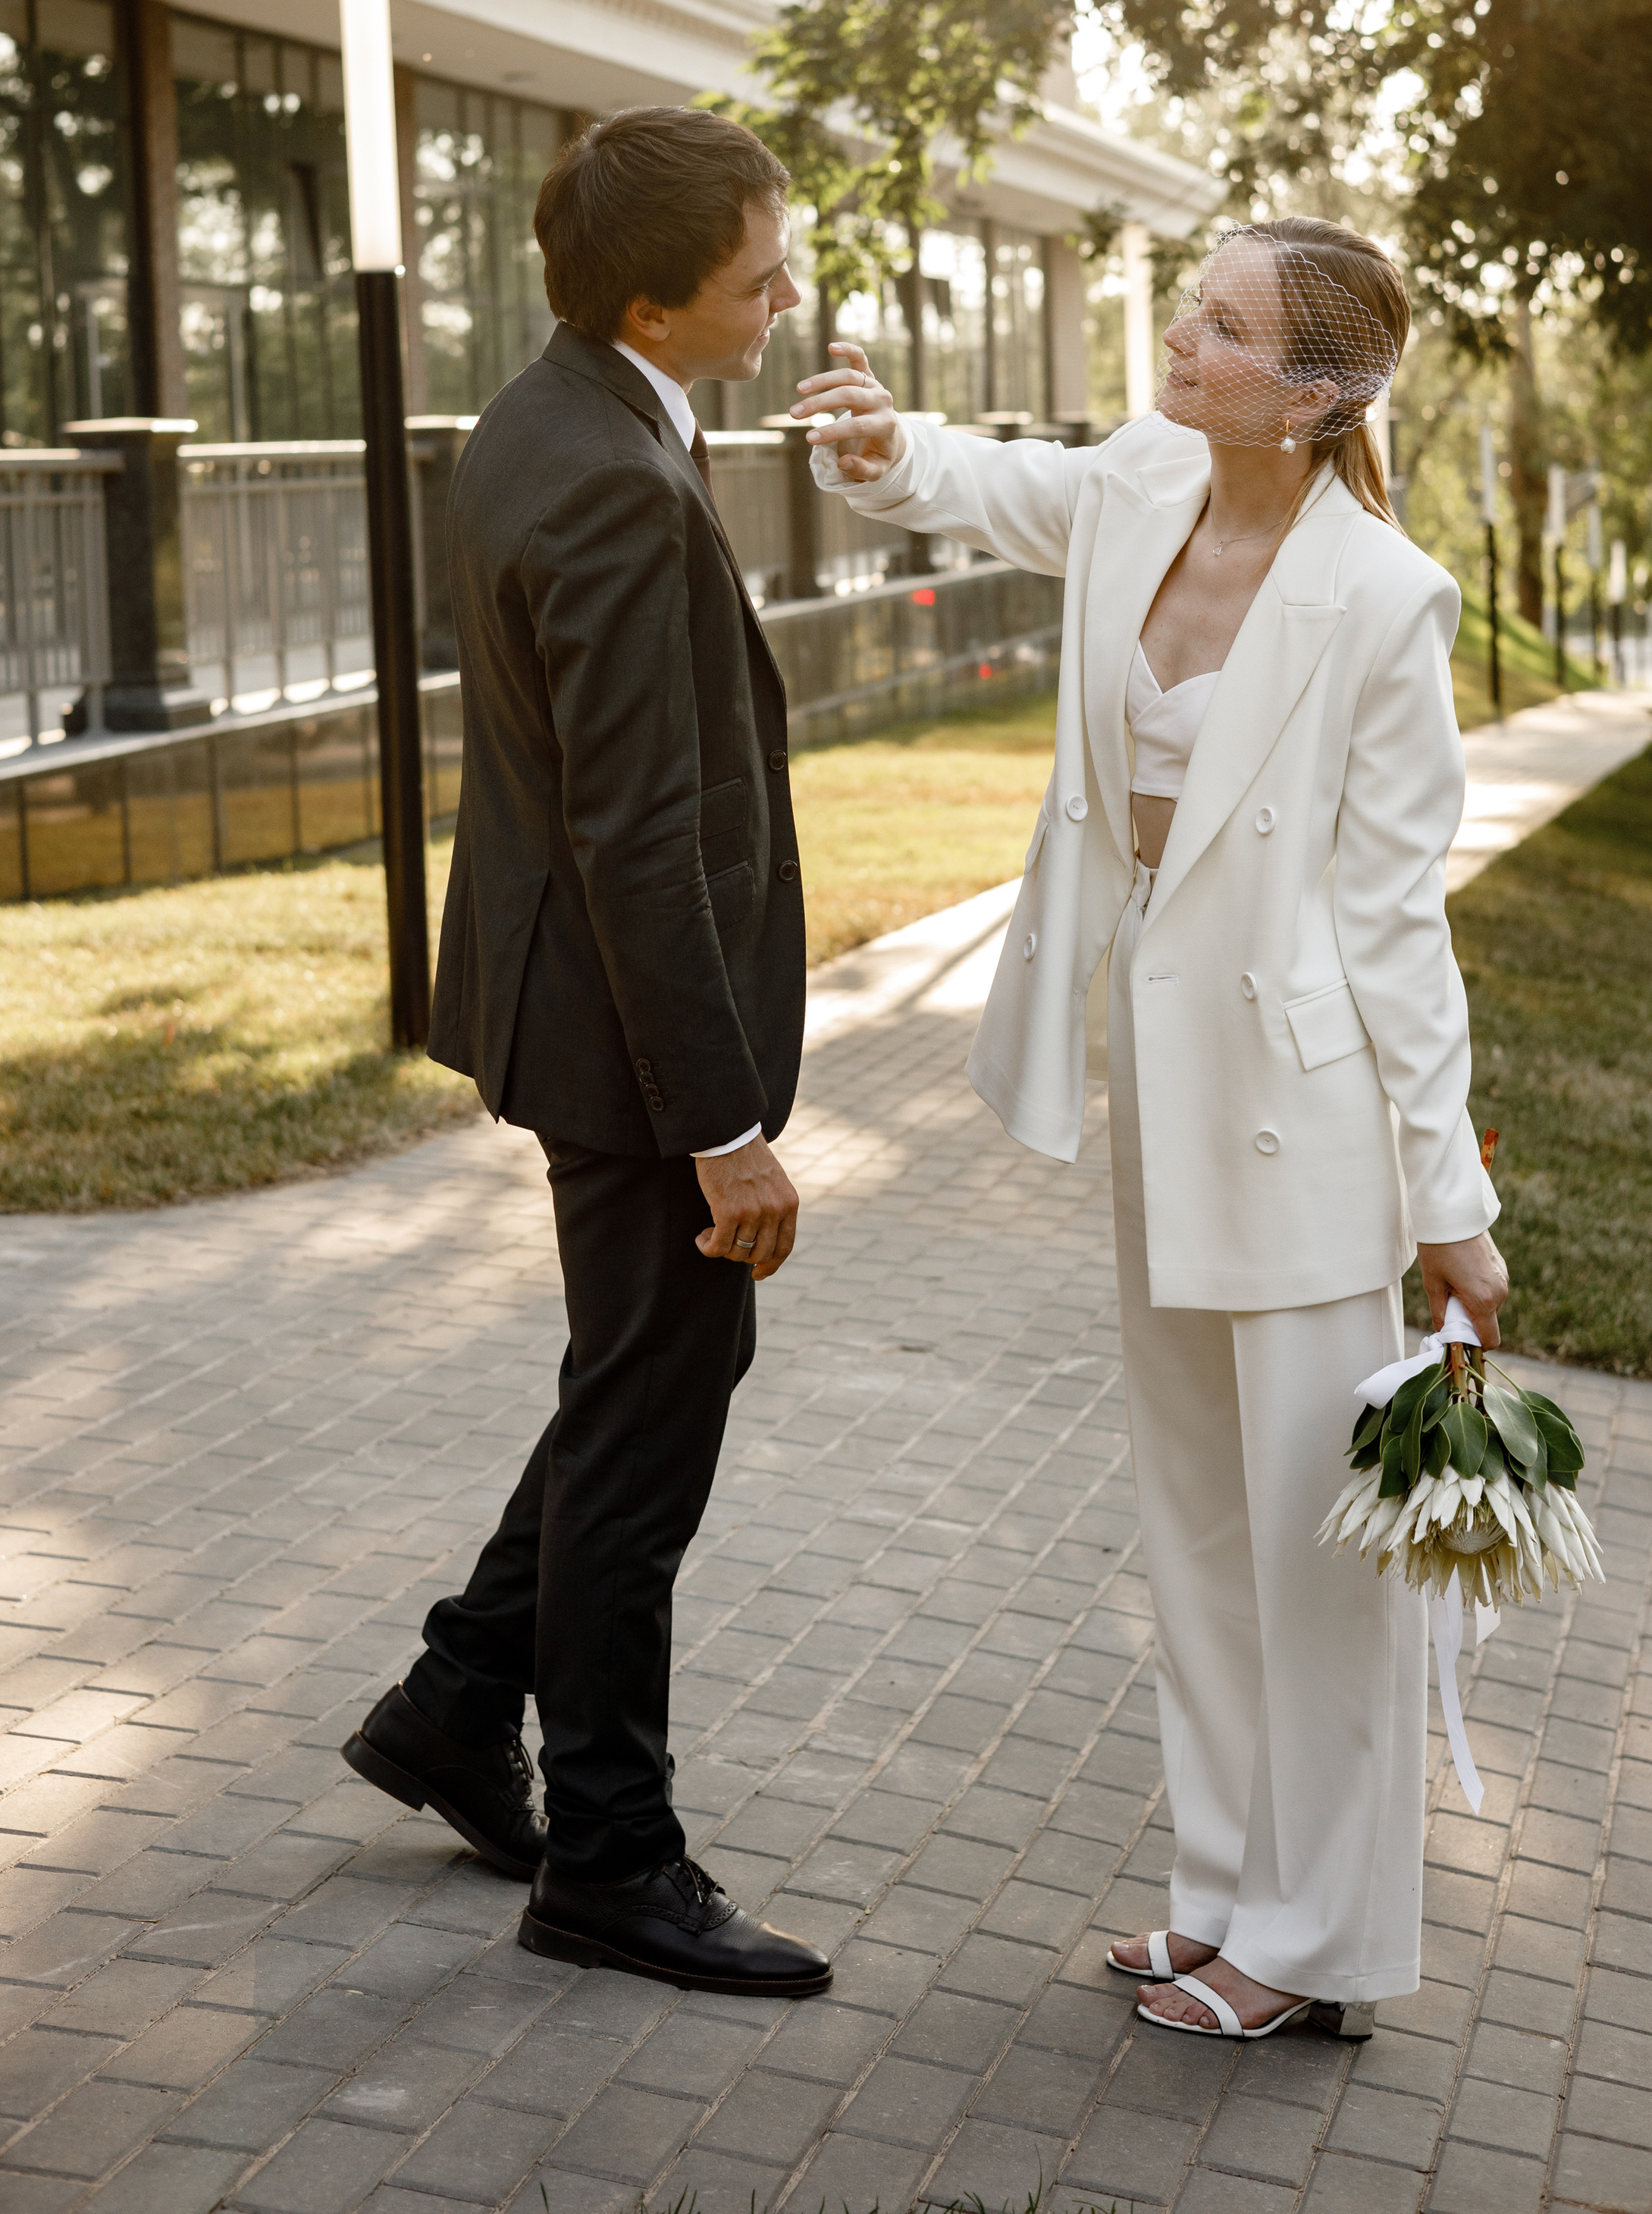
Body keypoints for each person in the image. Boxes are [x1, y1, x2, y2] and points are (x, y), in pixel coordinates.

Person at [791, 219, 1508, 2044]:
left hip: (1309, 1130)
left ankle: (1317, 1942)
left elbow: (1397, 923)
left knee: (1309, 1557)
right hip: (1157, 1101)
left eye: (1222, 324)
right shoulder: (1141, 480)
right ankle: (1220, 1895)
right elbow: (997, 481)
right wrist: (888, 451)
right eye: (1188, 304)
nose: (1178, 337)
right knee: (1195, 1524)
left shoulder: (1384, 601)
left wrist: (1450, 1201)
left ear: (1319, 391)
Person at [343, 105, 830, 2000]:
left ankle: (457, 1705)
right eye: (756, 282)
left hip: (569, 1002)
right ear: (653, 297)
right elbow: (636, 825)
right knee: (646, 1437)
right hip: (635, 1046)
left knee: (626, 1385)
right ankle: (612, 1860)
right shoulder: (618, 479)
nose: (783, 301)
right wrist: (721, 1127)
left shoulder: (541, 413)